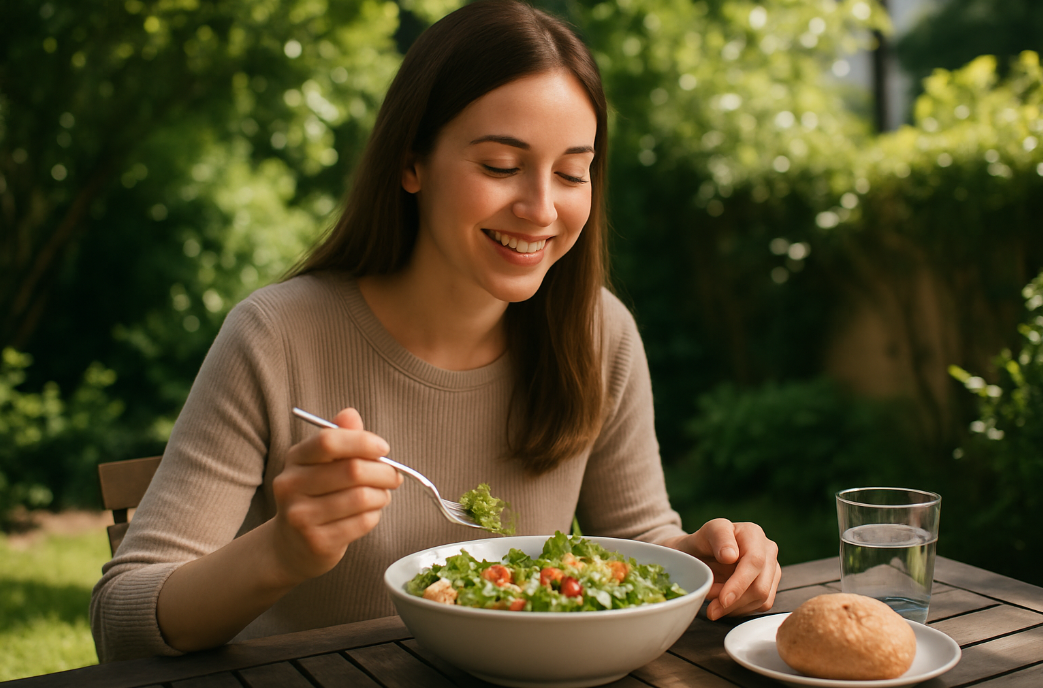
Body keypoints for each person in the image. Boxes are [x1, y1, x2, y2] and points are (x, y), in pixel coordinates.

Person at [90, 0, 780, 662]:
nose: (541, 209)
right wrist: (281, 552)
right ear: (410, 161)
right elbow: (123, 620)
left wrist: (701, 560)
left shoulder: (600, 333)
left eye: (573, 172)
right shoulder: (276, 336)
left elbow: (636, 538)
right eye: (500, 166)